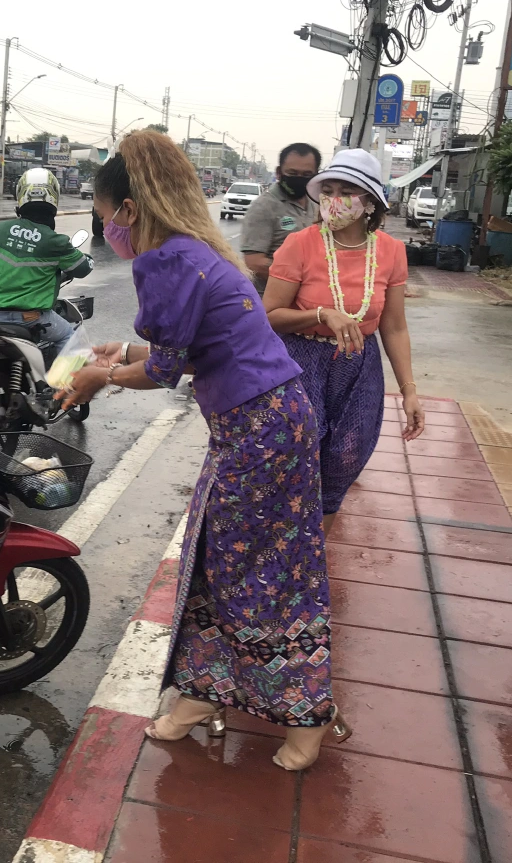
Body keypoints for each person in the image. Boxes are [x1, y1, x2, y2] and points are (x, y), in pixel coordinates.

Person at [57, 130, 349, 771]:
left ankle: (309, 713)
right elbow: (186, 353)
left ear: (129, 210)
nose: (107, 229)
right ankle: (198, 692)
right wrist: (120, 355)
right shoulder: (194, 253)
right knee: (216, 562)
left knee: (262, 576)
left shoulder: (162, 262)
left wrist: (96, 377)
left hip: (259, 432)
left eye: (106, 217)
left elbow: (164, 372)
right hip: (268, 423)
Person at [263, 148, 425, 533]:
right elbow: (267, 317)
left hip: (358, 367)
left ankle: (313, 559)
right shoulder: (300, 244)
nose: (335, 200)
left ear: (370, 201)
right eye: (329, 190)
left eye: (348, 190)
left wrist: (410, 391)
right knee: (294, 459)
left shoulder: (391, 252)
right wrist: (321, 314)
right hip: (302, 362)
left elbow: (395, 326)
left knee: (344, 460)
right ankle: (277, 555)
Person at [0, 167, 93, 365]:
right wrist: (88, 259)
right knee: (70, 338)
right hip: (32, 319)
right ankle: (66, 390)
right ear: (54, 198)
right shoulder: (55, 241)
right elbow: (81, 268)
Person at [240, 142, 321, 291]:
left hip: (307, 297)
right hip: (270, 299)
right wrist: (302, 276)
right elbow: (254, 262)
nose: (299, 179)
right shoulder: (264, 207)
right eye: (292, 173)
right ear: (279, 172)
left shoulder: (317, 205)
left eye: (306, 175)